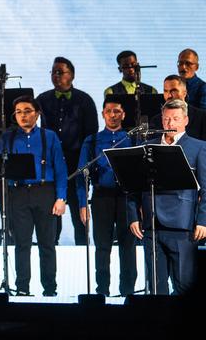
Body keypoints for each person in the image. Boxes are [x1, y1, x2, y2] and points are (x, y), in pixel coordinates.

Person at [128, 99, 206, 294]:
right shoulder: (147, 146)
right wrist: (133, 216)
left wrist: (203, 221)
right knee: (155, 286)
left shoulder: (199, 147)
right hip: (152, 224)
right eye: (166, 119)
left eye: (175, 119)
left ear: (185, 120)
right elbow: (132, 185)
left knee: (184, 285)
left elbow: (205, 188)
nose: (170, 124)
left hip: (183, 225)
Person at [0, 96, 67, 296]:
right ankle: (22, 288)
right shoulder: (7, 138)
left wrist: (61, 198)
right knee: (21, 243)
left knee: (47, 243)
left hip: (45, 192)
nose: (23, 115)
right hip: (17, 193)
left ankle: (50, 288)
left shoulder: (49, 136)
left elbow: (61, 169)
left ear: (37, 113)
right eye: (18, 111)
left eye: (27, 110)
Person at [76, 98, 135, 296]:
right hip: (102, 197)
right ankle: (102, 290)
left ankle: (127, 291)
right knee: (102, 246)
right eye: (108, 111)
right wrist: (83, 203)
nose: (112, 115)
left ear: (123, 114)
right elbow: (81, 174)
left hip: (127, 197)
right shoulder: (91, 140)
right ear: (103, 114)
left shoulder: (132, 138)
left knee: (128, 245)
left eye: (117, 111)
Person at [36, 56, 96, 246]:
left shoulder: (84, 100)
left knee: (80, 216)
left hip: (76, 165)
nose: (56, 75)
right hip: (51, 166)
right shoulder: (42, 99)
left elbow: (91, 134)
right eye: (53, 72)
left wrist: (87, 165)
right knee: (52, 216)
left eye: (60, 72)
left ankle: (81, 258)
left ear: (72, 75)